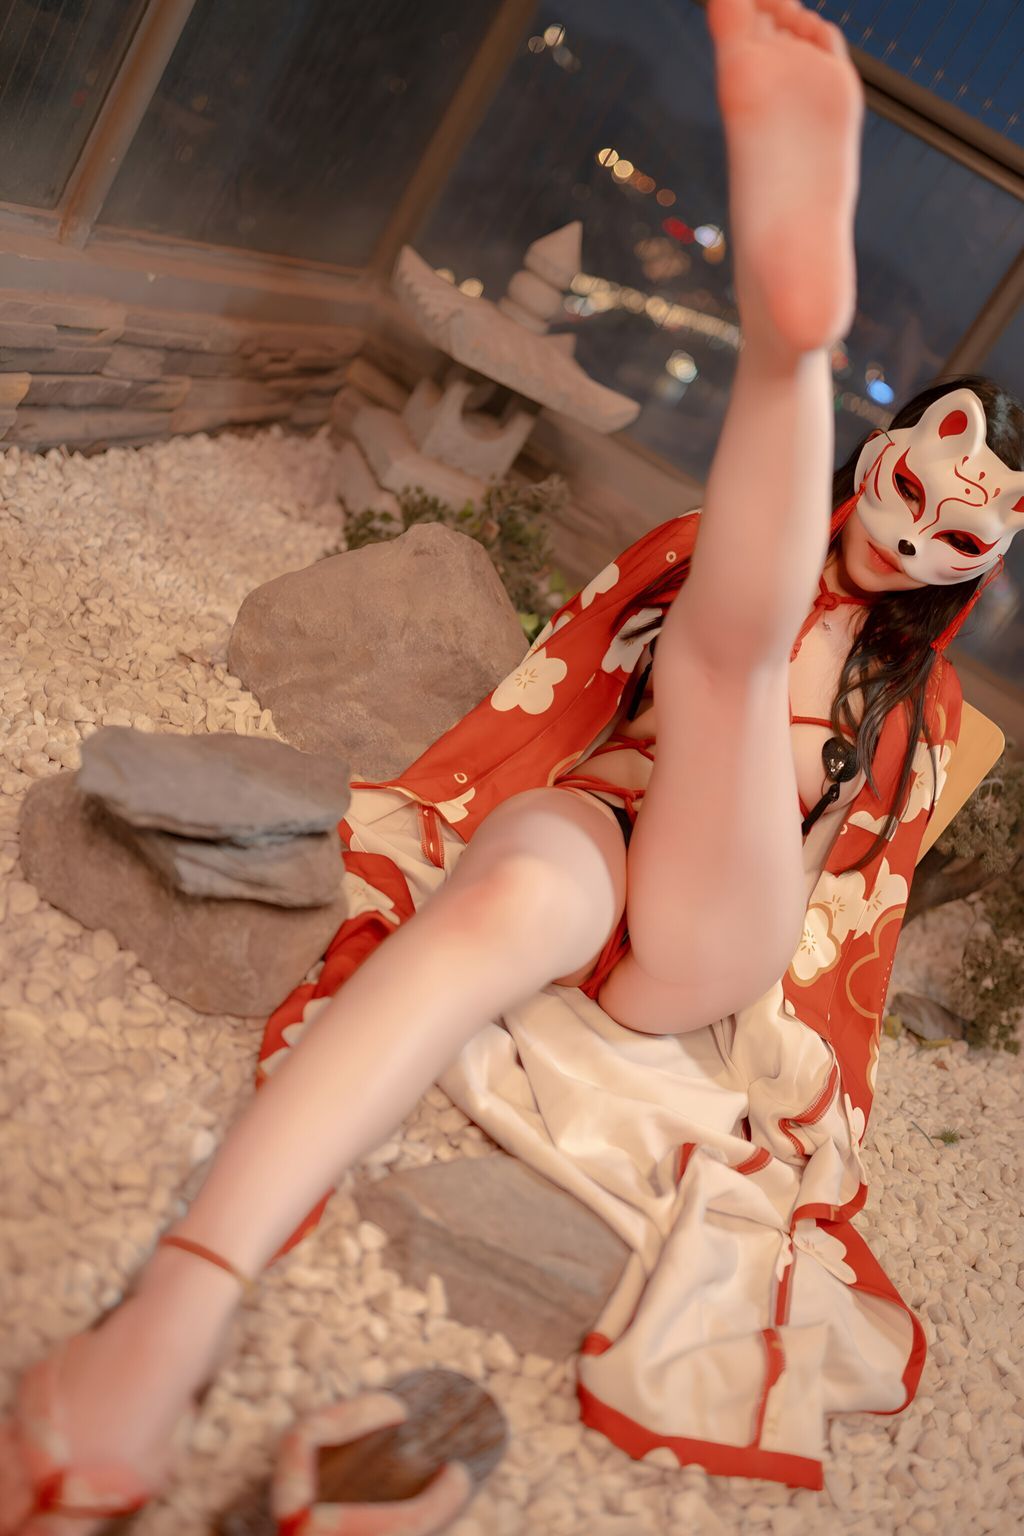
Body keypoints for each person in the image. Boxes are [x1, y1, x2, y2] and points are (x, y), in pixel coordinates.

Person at [4, 0, 1023, 1527]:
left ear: (989, 562)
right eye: (909, 486)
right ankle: (173, 1314)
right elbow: (582, 709)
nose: (915, 532)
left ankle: (789, 345)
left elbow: (829, 919)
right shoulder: (703, 553)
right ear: (879, 456)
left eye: (957, 531)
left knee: (741, 671)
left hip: (703, 945)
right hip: (594, 825)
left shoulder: (920, 713)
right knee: (521, 883)